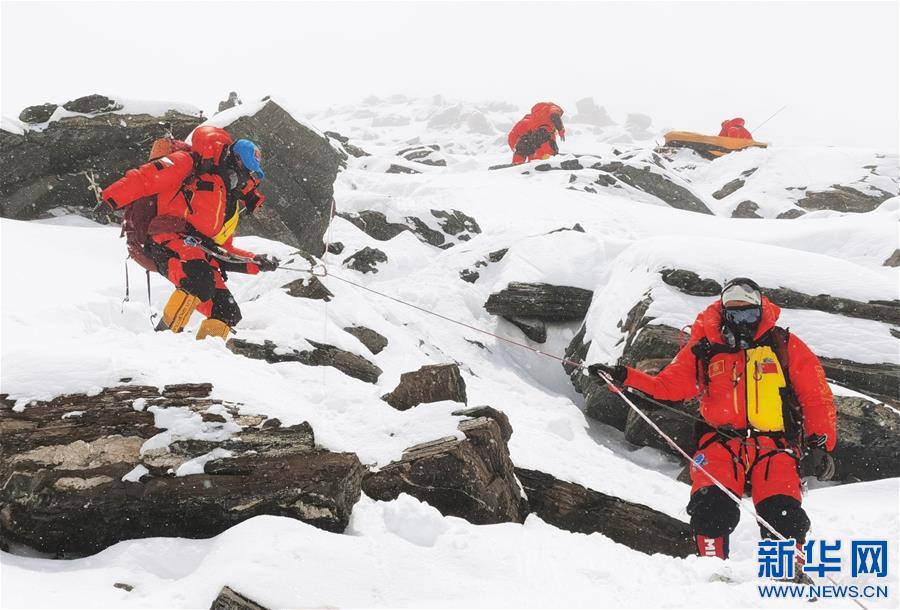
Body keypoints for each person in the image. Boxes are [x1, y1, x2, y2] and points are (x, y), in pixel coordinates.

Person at [589, 278, 836, 562]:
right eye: (735, 314)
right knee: (710, 508)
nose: (742, 322)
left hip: (774, 447)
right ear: (724, 313)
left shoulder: (783, 344)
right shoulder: (705, 348)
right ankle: (711, 571)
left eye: (749, 314)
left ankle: (788, 572)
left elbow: (816, 397)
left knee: (783, 514)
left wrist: (821, 445)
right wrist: (623, 377)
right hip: (721, 443)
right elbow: (667, 387)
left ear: (760, 311)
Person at [101, 126, 279, 340]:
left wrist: (256, 262)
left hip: (200, 252)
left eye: (247, 171)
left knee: (227, 311)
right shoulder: (190, 162)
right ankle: (162, 339)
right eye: (242, 166)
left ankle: (203, 354)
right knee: (198, 280)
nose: (242, 174)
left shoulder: (226, 199)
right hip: (167, 239)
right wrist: (111, 197)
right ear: (232, 157)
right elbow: (146, 178)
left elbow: (225, 249)